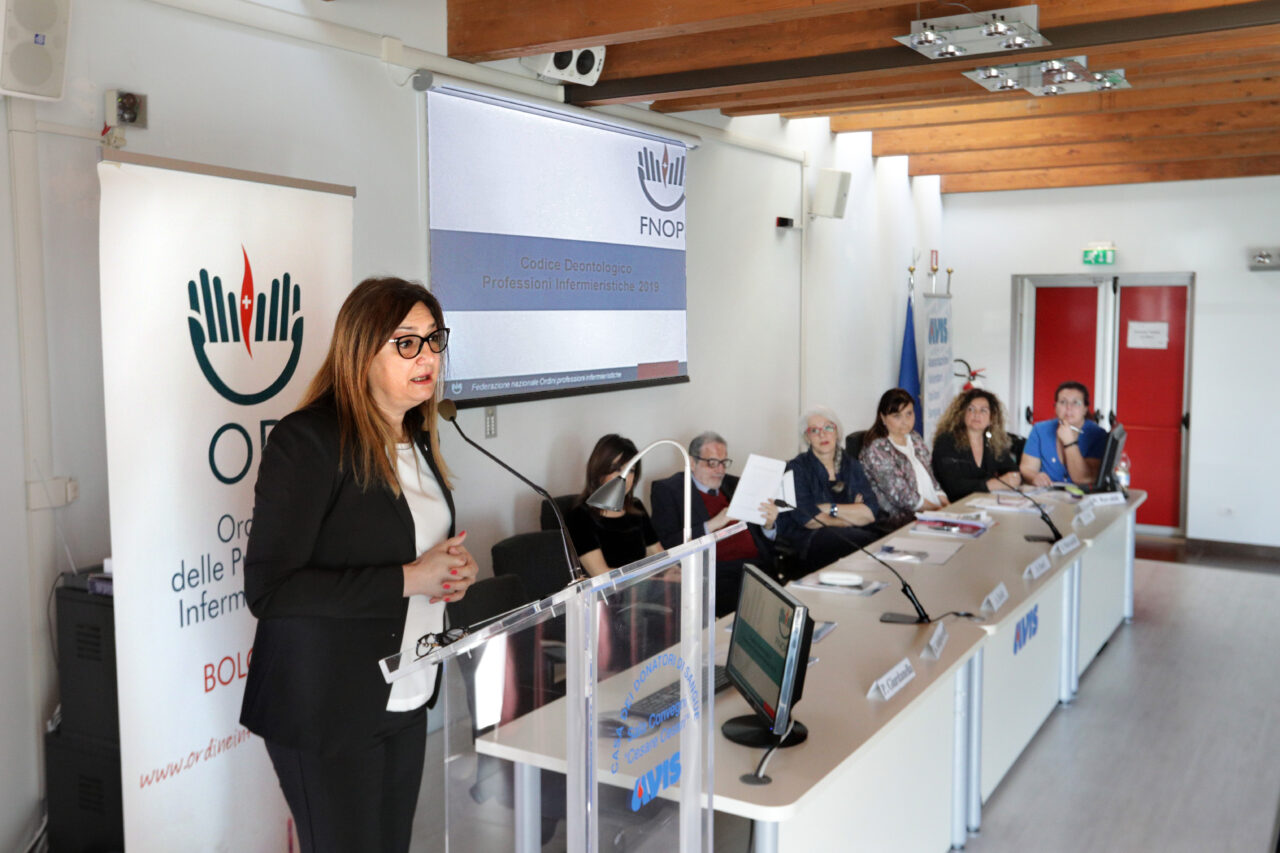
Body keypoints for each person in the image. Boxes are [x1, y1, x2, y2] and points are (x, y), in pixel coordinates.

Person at [239, 277, 479, 853]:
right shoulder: (309, 442)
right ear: (360, 351)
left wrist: (450, 572)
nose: (428, 357)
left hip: (406, 692)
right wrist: (409, 579)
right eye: (406, 343)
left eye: (433, 339)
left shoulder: (418, 437)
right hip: (329, 707)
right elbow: (270, 591)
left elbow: (412, 552)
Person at [649, 431, 781, 616]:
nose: (720, 470)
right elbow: (667, 545)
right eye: (711, 463)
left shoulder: (734, 484)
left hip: (758, 566)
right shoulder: (669, 491)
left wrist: (769, 526)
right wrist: (712, 525)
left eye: (723, 463)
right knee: (755, 612)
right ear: (692, 462)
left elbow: (764, 539)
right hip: (717, 572)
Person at [777, 406, 885, 574]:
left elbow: (870, 512)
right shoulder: (797, 468)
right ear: (807, 437)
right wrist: (851, 518)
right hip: (810, 539)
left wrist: (829, 508)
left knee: (884, 541)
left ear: (837, 432)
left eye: (828, 427)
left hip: (849, 534)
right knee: (868, 544)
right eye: (814, 430)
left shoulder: (852, 465)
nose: (823, 434)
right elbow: (810, 519)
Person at [566, 433, 664, 577]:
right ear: (599, 471)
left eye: (630, 470)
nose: (624, 477)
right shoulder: (579, 517)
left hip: (646, 590)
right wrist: (649, 577)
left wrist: (677, 572)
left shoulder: (636, 507)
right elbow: (601, 574)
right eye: (617, 469)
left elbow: (660, 556)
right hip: (608, 597)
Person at [859, 388, 950, 526]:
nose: (905, 421)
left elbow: (931, 477)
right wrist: (937, 510)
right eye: (897, 416)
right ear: (883, 417)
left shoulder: (915, 437)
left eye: (909, 414)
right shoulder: (876, 448)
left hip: (933, 511)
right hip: (903, 518)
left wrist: (945, 503)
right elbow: (900, 494)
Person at [931, 388, 1022, 500]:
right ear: (962, 414)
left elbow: (1012, 469)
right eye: (971, 409)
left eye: (983, 410)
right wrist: (992, 485)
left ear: (991, 418)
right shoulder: (946, 441)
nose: (976, 414)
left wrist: (1014, 477)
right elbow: (952, 486)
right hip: (953, 507)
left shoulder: (992, 442)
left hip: (983, 505)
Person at [1020, 381, 1106, 487]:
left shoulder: (1098, 435)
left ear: (1085, 409)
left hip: (1083, 498)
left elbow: (1082, 478)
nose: (1069, 407)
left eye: (1076, 403)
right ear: (1055, 407)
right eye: (1063, 402)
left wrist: (1070, 443)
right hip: (1047, 497)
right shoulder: (1040, 430)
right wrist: (1034, 477)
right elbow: (1027, 468)